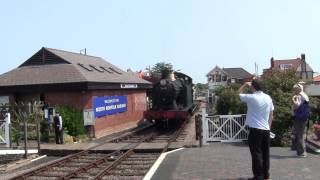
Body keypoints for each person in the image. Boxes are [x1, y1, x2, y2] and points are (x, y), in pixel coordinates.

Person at [238, 79, 274, 180]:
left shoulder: (251, 97)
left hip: (255, 129)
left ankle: (258, 176)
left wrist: (245, 84)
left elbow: (238, 93)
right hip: (266, 129)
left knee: (256, 153)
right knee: (265, 153)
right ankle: (266, 175)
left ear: (253, 87)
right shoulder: (268, 97)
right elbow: (271, 115)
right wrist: (269, 128)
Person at [292, 83, 309, 157]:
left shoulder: (298, 96)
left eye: (294, 89)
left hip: (299, 117)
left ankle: (302, 152)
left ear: (298, 89)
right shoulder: (305, 95)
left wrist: (293, 100)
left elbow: (297, 105)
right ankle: (301, 152)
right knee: (301, 134)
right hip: (304, 117)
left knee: (299, 135)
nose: (294, 91)